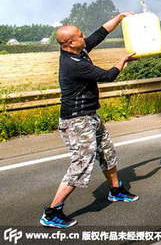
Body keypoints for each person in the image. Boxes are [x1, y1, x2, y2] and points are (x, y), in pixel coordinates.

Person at [40, 12, 138, 229]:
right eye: (80, 35)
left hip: (90, 115)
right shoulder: (73, 64)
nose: (85, 37)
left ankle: (115, 190)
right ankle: (53, 211)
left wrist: (120, 17)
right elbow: (107, 76)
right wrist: (123, 60)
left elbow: (101, 33)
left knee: (106, 152)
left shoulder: (78, 49)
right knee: (81, 165)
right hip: (76, 121)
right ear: (69, 43)